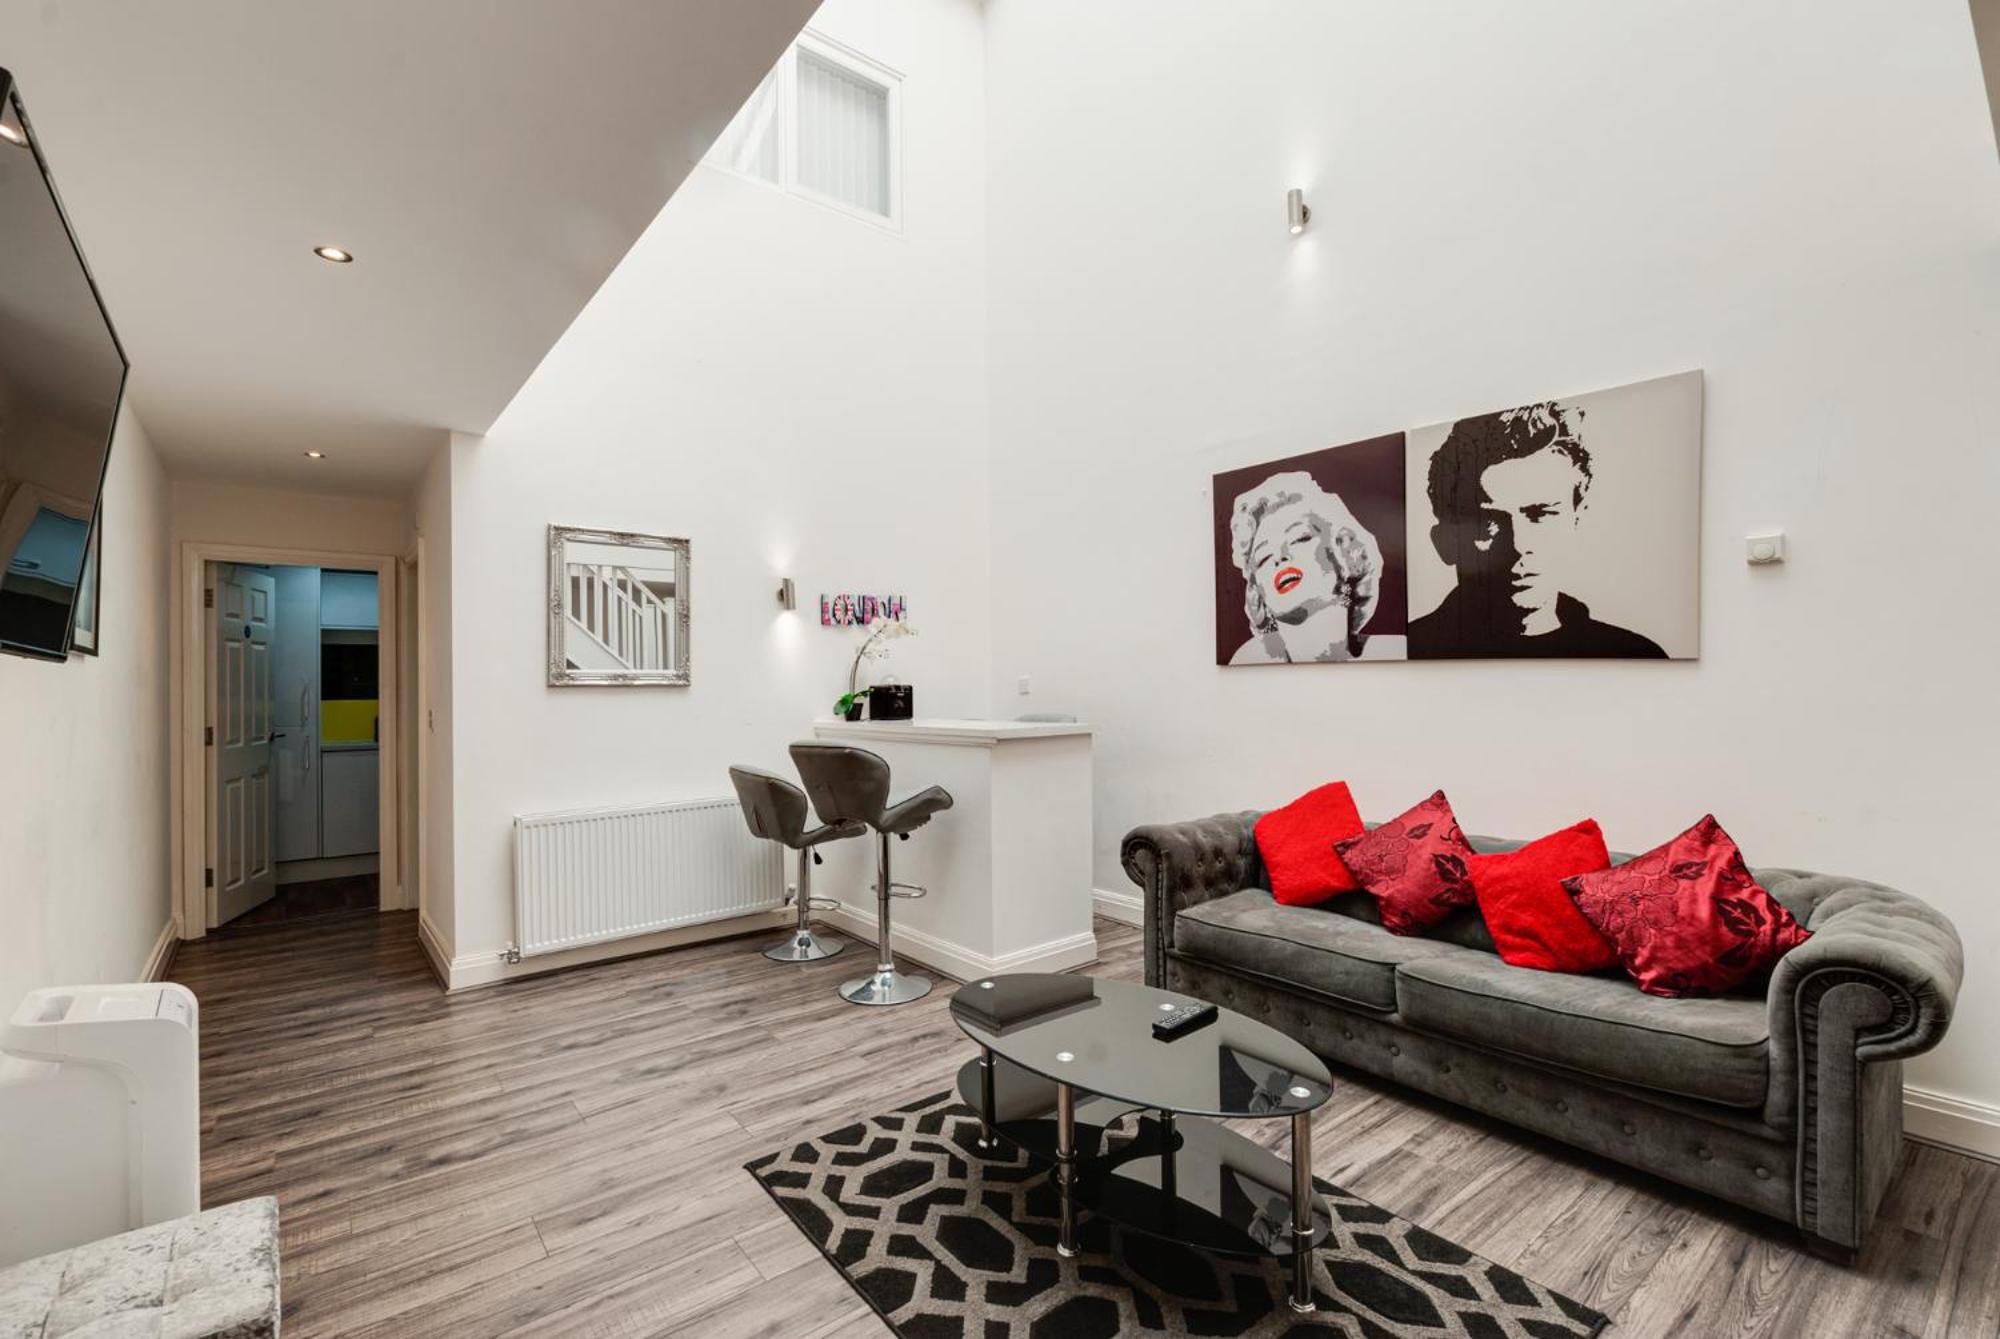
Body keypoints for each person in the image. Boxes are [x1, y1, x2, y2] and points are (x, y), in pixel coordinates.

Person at [1408, 401, 1665, 659]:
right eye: (1487, 523)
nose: (1519, 545)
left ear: (1576, 521)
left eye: (1541, 514)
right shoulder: (1414, 648)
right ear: (1444, 543)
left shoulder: (1635, 654)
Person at [1228, 471, 1398, 664]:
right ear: (1257, 592)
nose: (1279, 556)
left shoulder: (1395, 652)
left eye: (1299, 538)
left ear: (1344, 554)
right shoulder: (1248, 660)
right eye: (1263, 558)